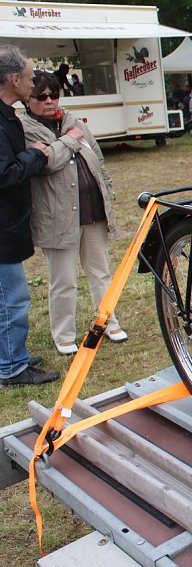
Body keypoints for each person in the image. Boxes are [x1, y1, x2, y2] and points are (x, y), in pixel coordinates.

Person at [22, 72, 127, 356]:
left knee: (101, 273)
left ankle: (108, 322)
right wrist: (68, 140)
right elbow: (45, 164)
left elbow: (97, 159)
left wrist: (107, 191)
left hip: (93, 212)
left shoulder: (73, 122)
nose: (49, 101)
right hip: (57, 218)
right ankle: (64, 335)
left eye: (54, 95)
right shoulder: (25, 127)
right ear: (28, 99)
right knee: (63, 280)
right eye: (42, 96)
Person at [0, 44, 59, 386]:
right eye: (28, 76)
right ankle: (12, 368)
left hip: (9, 223)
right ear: (12, 79)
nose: (32, 81)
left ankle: (11, 353)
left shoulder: (7, 116)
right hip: (3, 227)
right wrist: (35, 155)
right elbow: (4, 174)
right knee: (13, 298)